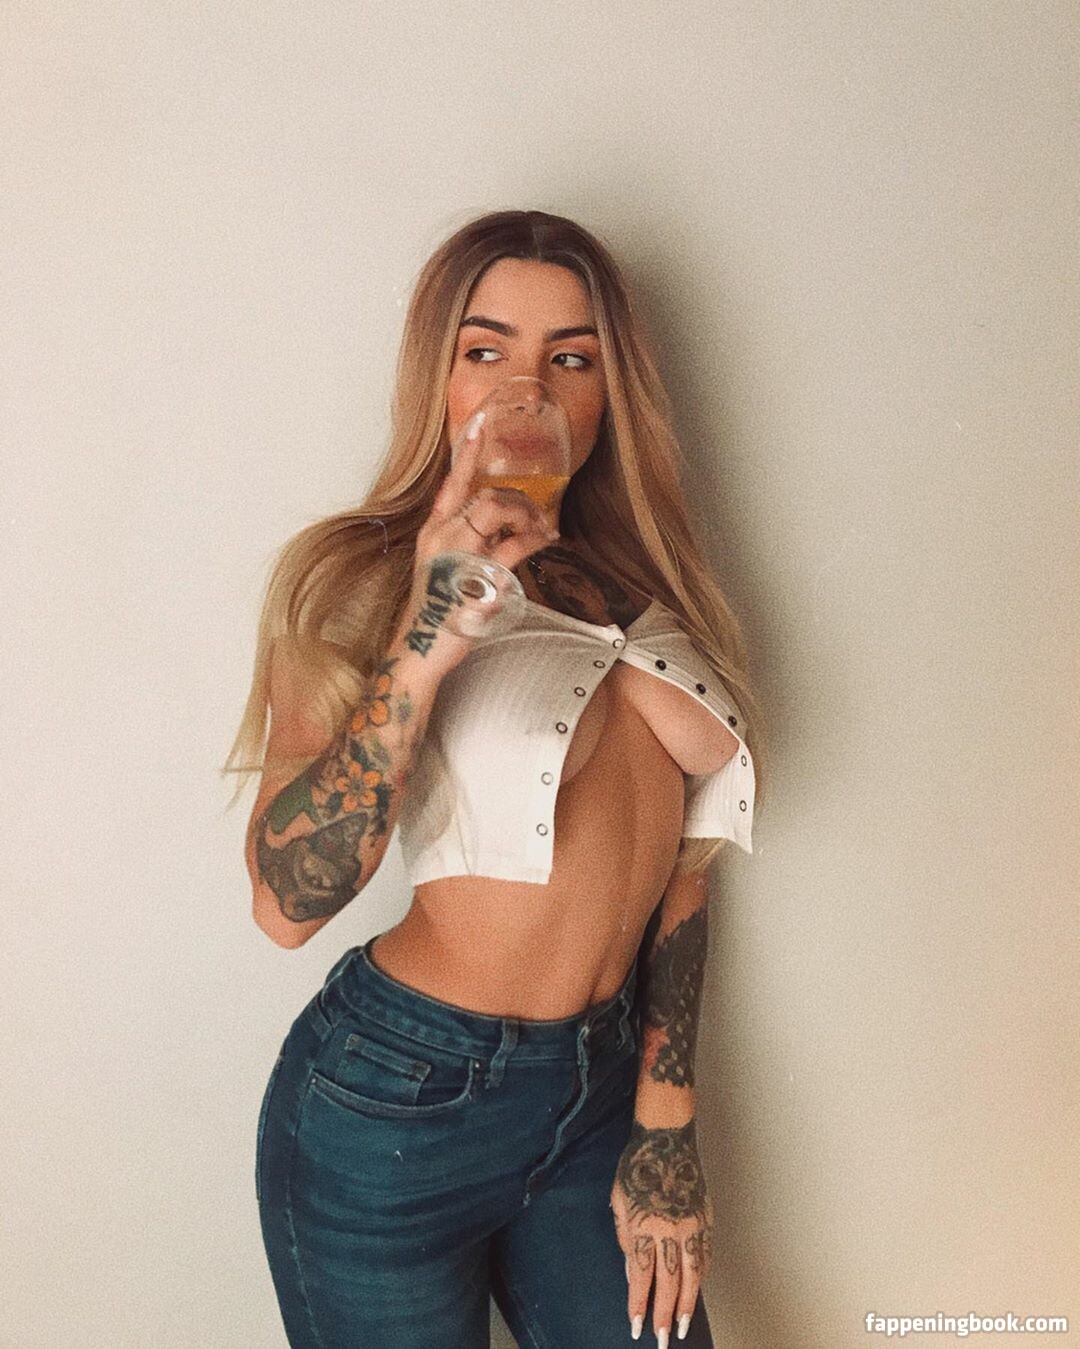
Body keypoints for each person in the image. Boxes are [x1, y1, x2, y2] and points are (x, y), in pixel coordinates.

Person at [223, 208, 766, 1348]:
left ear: (610, 391)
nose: (528, 391)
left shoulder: (648, 582)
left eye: (571, 358)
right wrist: (430, 634)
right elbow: (286, 902)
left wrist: (666, 1119)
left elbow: (689, 862)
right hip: (396, 1099)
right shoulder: (354, 578)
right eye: (487, 351)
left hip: (599, 1090)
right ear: (440, 376)